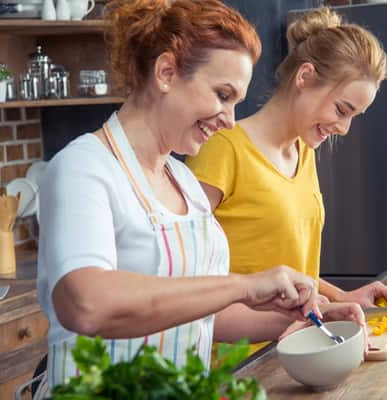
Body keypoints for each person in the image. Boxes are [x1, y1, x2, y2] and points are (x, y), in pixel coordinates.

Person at [35, 0, 364, 393]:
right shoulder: (83, 168)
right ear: (166, 72)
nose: (229, 119)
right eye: (222, 94)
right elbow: (86, 304)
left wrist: (314, 318)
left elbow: (208, 317)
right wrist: (245, 285)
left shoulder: (183, 183)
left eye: (236, 102)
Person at [186, 7, 387, 311]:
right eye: (342, 110)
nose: (344, 128)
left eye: (353, 116)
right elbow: (185, 273)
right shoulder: (223, 149)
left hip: (299, 343)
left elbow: (286, 270)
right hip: (241, 354)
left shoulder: (304, 152)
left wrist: (342, 297)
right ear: (305, 76)